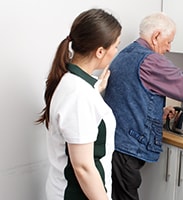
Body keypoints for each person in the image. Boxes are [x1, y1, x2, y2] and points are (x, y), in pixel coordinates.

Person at [103, 12, 183, 200]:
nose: (169, 48)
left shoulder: (126, 53)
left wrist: (156, 113)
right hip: (126, 149)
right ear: (155, 36)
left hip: (115, 144)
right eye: (169, 41)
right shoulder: (150, 60)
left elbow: (128, 97)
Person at [36, 8, 121, 200]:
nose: (116, 51)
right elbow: (83, 167)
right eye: (116, 46)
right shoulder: (78, 95)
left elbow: (78, 110)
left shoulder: (72, 81)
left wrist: (97, 88)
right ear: (100, 51)